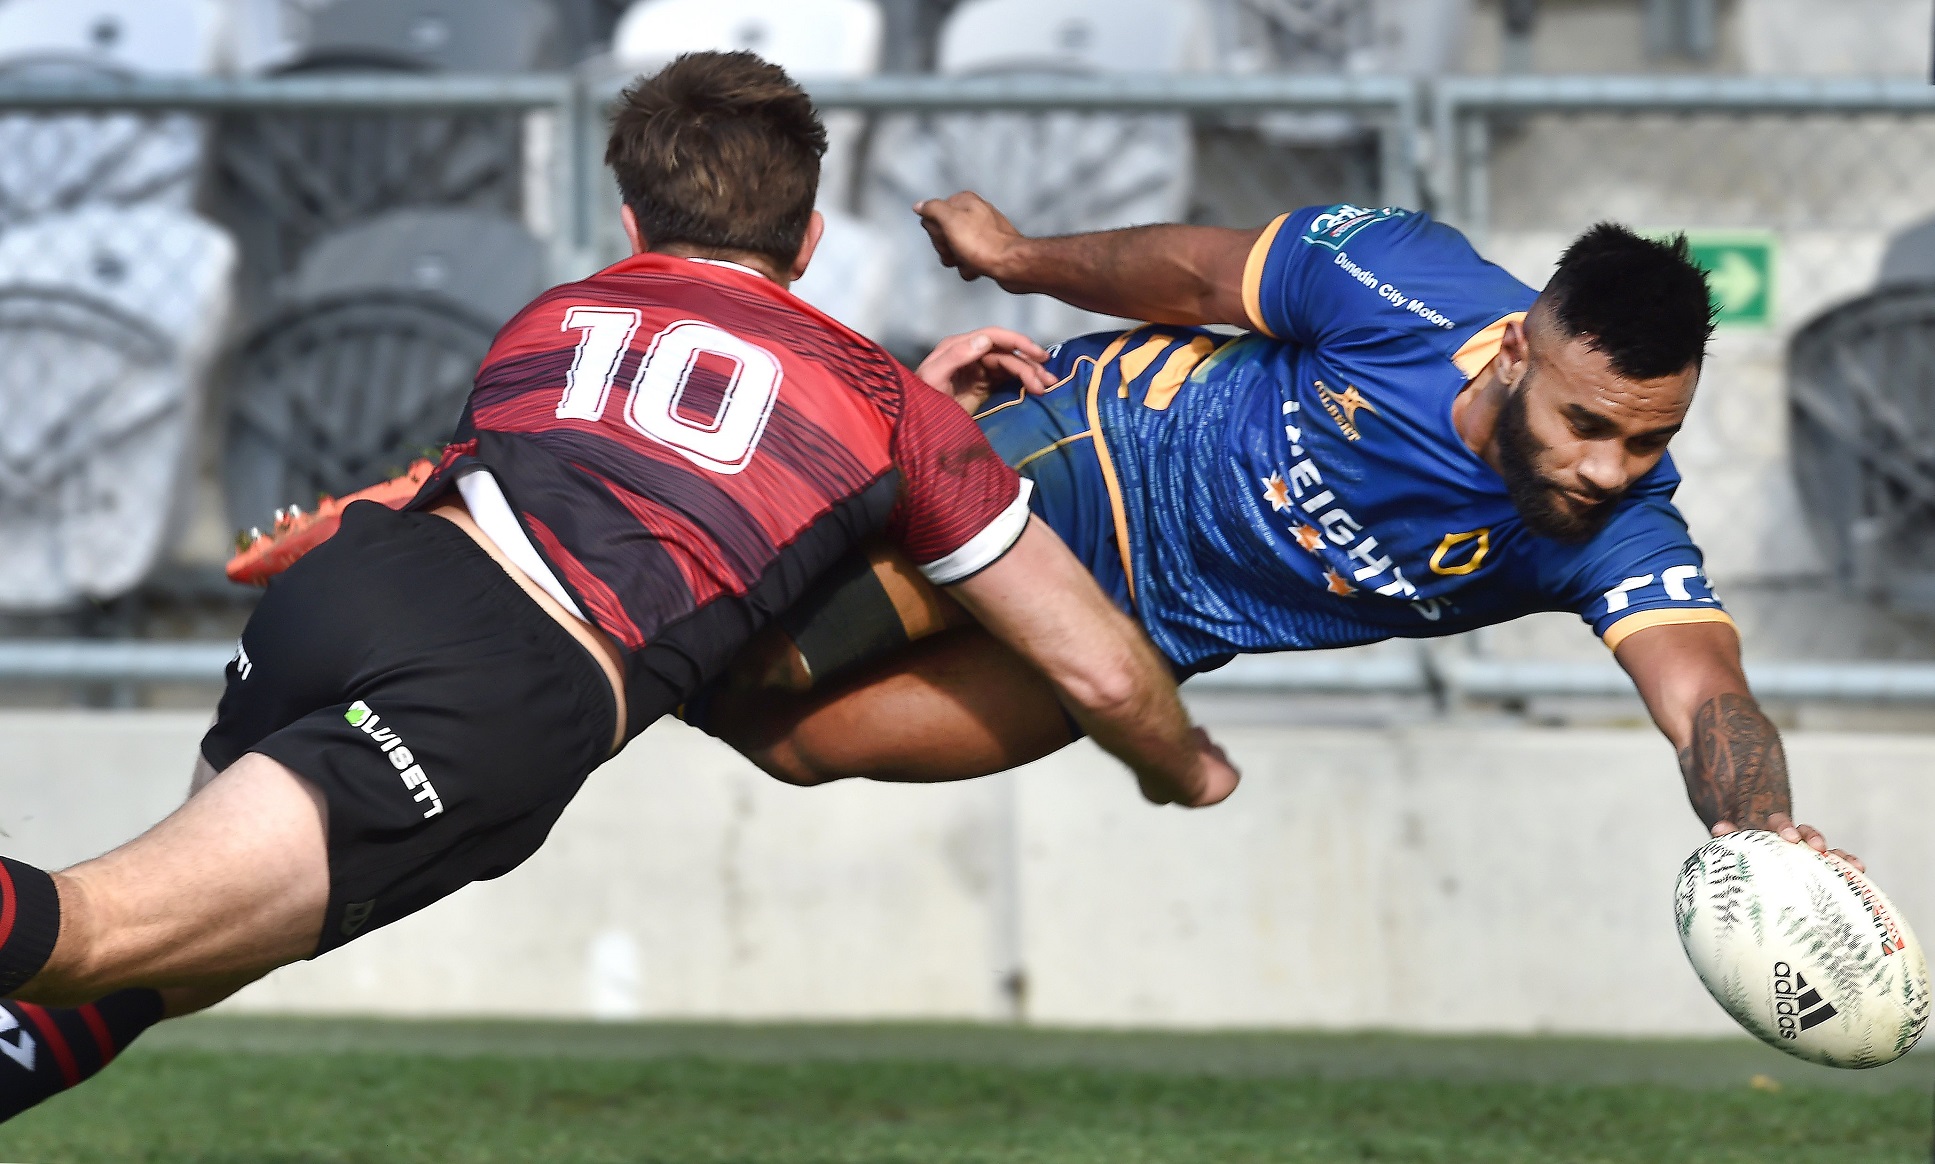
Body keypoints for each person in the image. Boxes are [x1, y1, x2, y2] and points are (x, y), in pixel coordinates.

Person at [0, 54, 1236, 1123]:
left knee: (161, 960)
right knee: (98, 934)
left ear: (634, 225)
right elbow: (1094, 664)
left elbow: (669, 434)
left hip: (367, 589)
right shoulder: (890, 410)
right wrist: (1184, 767)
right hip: (502, 688)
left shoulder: (554, 315)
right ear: (809, 240)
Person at [699, 192, 1853, 866]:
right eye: (1588, 423)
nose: (1610, 468)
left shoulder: (1615, 528)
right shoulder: (1405, 282)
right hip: (1086, 462)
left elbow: (1707, 696)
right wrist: (1014, 260)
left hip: (1143, 635)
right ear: (1515, 353)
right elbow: (1200, 275)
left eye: (1648, 440)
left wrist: (1763, 834)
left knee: (798, 744)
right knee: (758, 646)